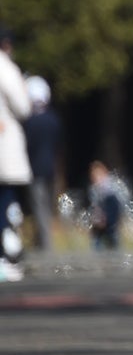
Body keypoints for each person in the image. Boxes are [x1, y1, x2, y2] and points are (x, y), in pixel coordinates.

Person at [0, 30, 31, 280]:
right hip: (4, 144)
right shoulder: (6, 68)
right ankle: (6, 257)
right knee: (7, 201)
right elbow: (23, 106)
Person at [23, 76, 59, 254]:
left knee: (39, 207)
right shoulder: (52, 119)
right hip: (50, 168)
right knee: (46, 206)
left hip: (35, 169)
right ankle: (43, 240)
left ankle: (45, 244)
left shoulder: (31, 122)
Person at [86, 160, 127, 250]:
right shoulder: (94, 191)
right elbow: (94, 208)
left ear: (105, 174)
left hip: (110, 226)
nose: (96, 179)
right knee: (97, 247)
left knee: (113, 247)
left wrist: (107, 221)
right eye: (94, 176)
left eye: (98, 176)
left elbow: (117, 209)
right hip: (99, 227)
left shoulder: (111, 192)